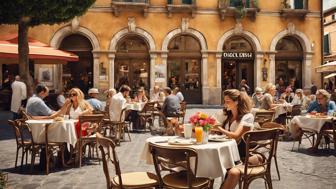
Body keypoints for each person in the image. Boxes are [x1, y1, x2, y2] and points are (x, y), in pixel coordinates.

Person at [210, 89, 255, 189]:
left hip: (241, 155)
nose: (225, 104)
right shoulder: (227, 115)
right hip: (227, 152)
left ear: (236, 102)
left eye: (228, 101)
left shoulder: (247, 117)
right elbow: (214, 123)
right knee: (207, 162)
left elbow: (236, 136)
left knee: (227, 170)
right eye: (224, 101)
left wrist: (219, 128)